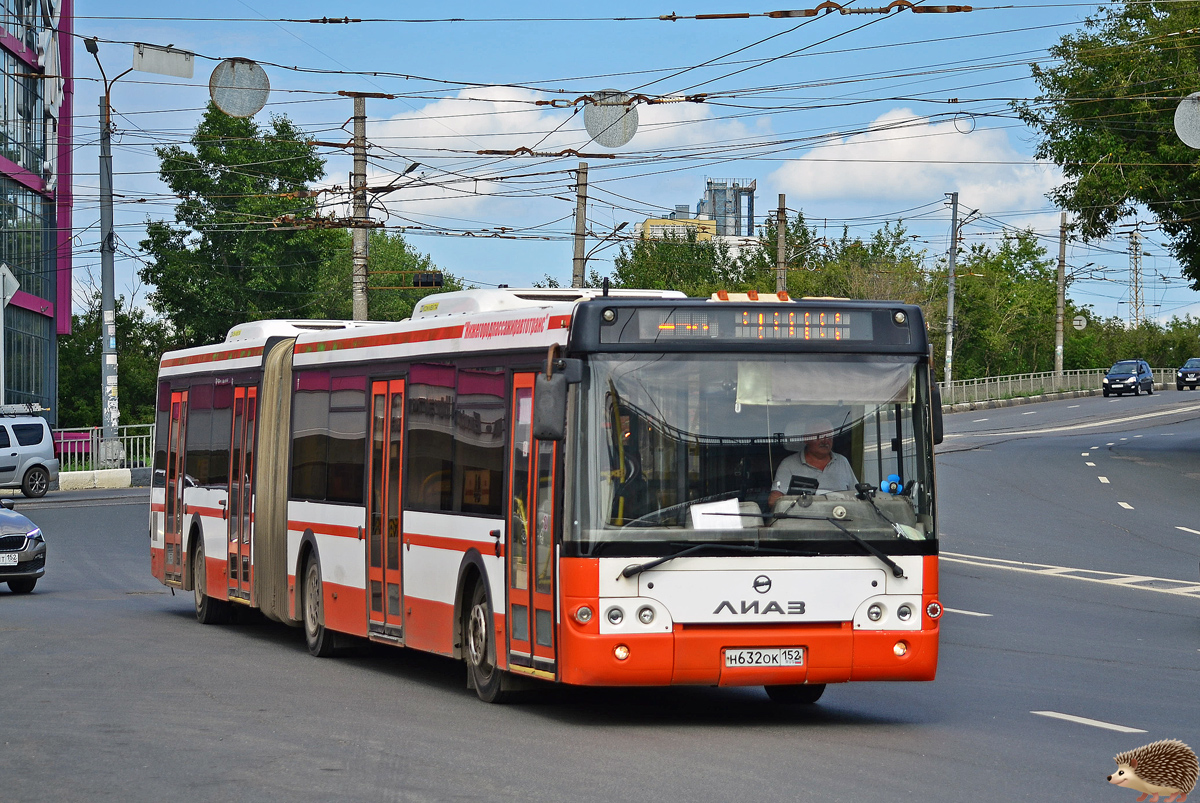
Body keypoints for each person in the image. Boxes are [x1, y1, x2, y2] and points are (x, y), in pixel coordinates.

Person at [767, 417, 858, 508]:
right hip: (803, 519)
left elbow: (857, 496)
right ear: (806, 439)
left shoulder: (842, 462)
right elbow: (773, 501)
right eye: (819, 436)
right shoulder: (788, 465)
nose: (825, 441)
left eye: (829, 436)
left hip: (840, 518)